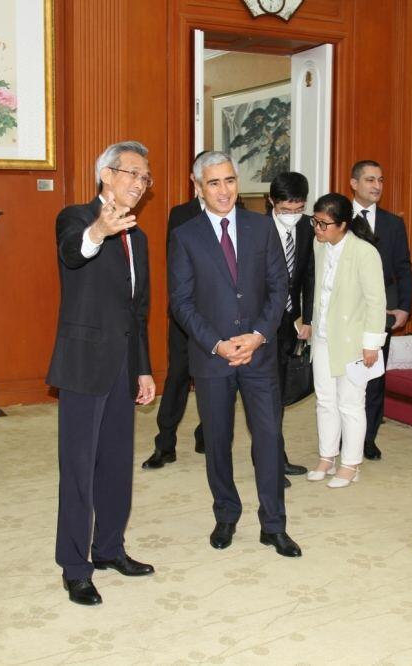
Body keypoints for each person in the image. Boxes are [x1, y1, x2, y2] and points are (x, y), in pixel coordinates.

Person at [168, 150, 301, 558]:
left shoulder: (261, 227)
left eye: (229, 180)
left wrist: (258, 336)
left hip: (259, 355)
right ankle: (226, 514)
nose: (224, 190)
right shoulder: (185, 235)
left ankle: (274, 525)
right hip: (213, 358)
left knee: (269, 438)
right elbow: (181, 302)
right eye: (214, 183)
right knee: (217, 440)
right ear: (198, 187)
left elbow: (280, 287)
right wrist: (218, 344)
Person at [46, 141, 157, 606]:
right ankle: (75, 568)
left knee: (116, 464)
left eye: (145, 177)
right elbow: (74, 252)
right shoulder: (75, 217)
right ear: (106, 174)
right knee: (78, 468)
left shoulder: (139, 237)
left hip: (123, 364)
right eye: (132, 173)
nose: (140, 183)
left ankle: (110, 548)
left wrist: (144, 369)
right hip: (83, 363)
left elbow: (138, 311)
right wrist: (99, 230)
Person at [303, 193, 386, 488]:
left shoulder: (364, 252)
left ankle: (351, 463)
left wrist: (372, 344)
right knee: (325, 400)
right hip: (323, 337)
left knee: (350, 403)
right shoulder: (319, 245)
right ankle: (327, 456)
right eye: (315, 221)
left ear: (342, 225)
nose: (317, 229)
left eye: (324, 224)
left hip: (353, 341)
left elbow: (376, 302)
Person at [141, 177, 206, 470]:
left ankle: (207, 434)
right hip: (185, 312)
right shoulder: (181, 214)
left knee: (216, 380)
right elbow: (175, 263)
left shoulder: (238, 212)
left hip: (221, 315)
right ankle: (165, 445)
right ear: (197, 183)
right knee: (178, 375)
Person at [350, 160, 412, 461]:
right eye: (370, 180)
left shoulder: (392, 223)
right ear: (354, 184)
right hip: (346, 312)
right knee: (346, 377)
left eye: (380, 180)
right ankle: (343, 435)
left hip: (382, 311)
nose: (377, 186)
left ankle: (368, 438)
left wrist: (404, 306)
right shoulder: (338, 218)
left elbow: (403, 267)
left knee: (374, 377)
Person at [266, 172, 312, 484]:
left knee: (281, 393)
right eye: (285, 209)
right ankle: (271, 461)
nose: (292, 215)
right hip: (262, 324)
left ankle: (275, 456)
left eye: (298, 209)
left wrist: (307, 318)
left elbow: (309, 275)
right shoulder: (256, 228)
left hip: (291, 322)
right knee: (266, 395)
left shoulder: (308, 227)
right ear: (272, 201)